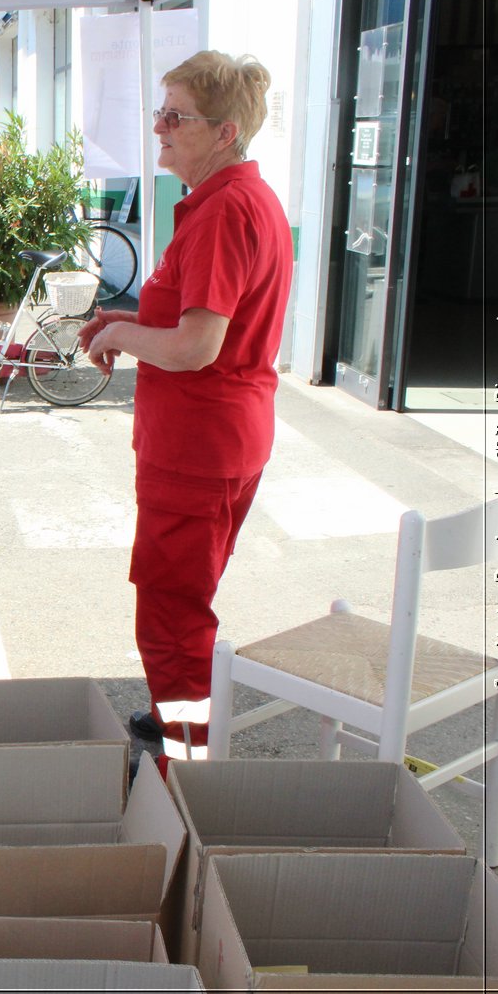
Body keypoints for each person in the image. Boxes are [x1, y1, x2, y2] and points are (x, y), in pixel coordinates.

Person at [78, 52, 293, 766]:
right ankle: (180, 726)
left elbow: (199, 345)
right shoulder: (236, 199)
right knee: (183, 603)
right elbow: (197, 319)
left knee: (171, 616)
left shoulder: (224, 210)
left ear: (225, 132)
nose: (161, 128)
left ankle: (184, 766)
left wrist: (120, 332)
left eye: (177, 116)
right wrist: (130, 319)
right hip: (224, 439)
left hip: (197, 448)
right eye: (160, 112)